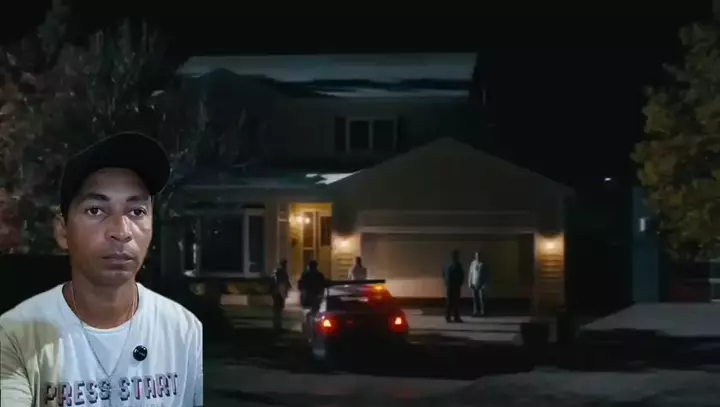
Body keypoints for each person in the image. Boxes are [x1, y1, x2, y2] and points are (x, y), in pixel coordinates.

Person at [0, 132, 203, 407]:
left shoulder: (183, 329)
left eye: (136, 212)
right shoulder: (16, 334)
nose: (121, 231)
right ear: (63, 231)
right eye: (96, 210)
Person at [442, 250, 464, 323]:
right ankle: (456, 317)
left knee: (449, 301)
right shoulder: (457, 265)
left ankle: (448, 317)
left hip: (450, 285)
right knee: (456, 302)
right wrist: (460, 282)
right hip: (455, 285)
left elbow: (443, 273)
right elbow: (461, 275)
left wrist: (446, 282)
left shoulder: (447, 264)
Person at [271, 259, 291, 331]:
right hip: (279, 293)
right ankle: (277, 325)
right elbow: (284, 283)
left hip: (276, 292)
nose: (286, 266)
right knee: (278, 310)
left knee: (277, 310)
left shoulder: (277, 272)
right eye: (285, 264)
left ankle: (276, 324)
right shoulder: (282, 272)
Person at [468, 251, 489, 317]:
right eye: (476, 256)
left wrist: (485, 284)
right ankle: (475, 312)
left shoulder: (483, 264)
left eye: (479, 256)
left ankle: (483, 312)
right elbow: (470, 273)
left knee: (481, 299)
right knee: (475, 299)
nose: (478, 257)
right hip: (474, 283)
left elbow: (486, 275)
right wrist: (470, 283)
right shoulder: (473, 263)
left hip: (481, 283)